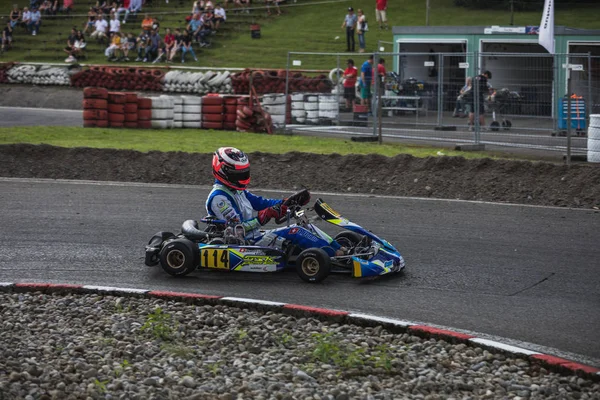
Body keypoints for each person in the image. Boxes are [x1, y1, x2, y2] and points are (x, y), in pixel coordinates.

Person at [206, 147, 303, 241]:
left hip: (253, 237)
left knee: (301, 231)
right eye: (238, 174)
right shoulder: (219, 198)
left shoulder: (236, 190)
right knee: (295, 232)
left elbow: (261, 203)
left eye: (244, 173)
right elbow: (237, 228)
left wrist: (286, 203)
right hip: (242, 244)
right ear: (222, 170)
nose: (241, 177)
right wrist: (262, 218)